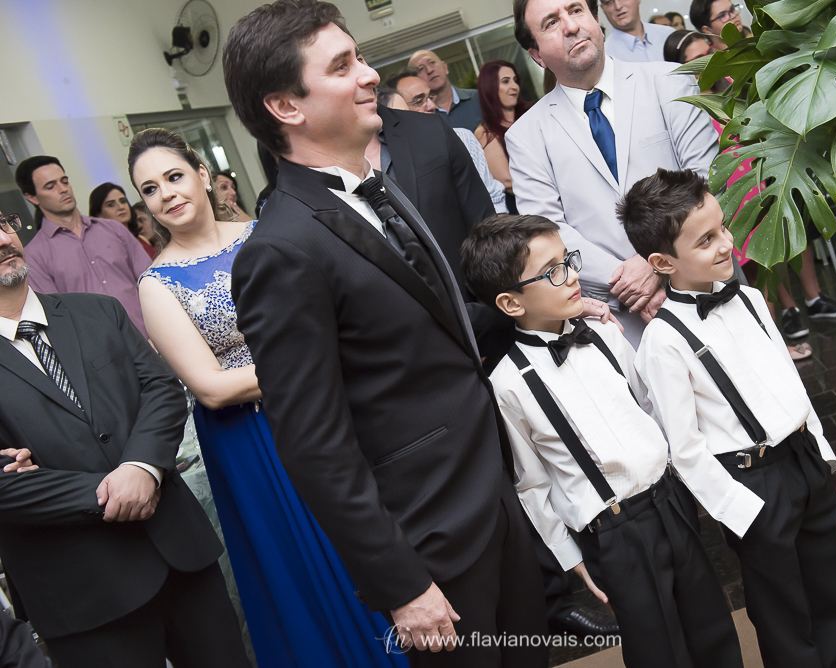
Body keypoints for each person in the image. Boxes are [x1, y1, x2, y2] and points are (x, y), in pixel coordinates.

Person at [222, 2, 549, 666]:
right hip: (431, 538)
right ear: (285, 106)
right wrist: (402, 584)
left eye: (361, 57)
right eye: (342, 66)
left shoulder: (377, 191)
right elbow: (314, 444)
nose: (370, 75)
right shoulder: (281, 250)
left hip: (490, 492)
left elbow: (434, 331)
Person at [133, 128, 406, 668]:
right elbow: (210, 387)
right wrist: (317, 360)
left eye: (174, 176)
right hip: (252, 438)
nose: (166, 194)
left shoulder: (267, 231)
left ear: (203, 175)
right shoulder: (156, 283)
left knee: (380, 531)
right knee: (306, 562)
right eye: (149, 189)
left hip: (334, 407)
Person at [463, 215, 743, 668]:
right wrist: (573, 561)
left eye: (568, 260)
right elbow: (531, 485)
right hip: (614, 532)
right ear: (511, 303)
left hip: (670, 499)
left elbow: (649, 407)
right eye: (553, 271)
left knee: (710, 622)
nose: (573, 275)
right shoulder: (508, 385)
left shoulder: (606, 334)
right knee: (658, 647)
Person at [620, 169, 836, 668]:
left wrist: (822, 452)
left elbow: (790, 382)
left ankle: (832, 659)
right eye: (706, 240)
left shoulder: (748, 298)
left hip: (803, 457)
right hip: (754, 481)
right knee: (781, 602)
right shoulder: (663, 342)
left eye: (723, 227)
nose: (727, 243)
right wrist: (742, 511)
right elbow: (685, 448)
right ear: (662, 262)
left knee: (827, 581)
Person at [0, 209, 250, 668]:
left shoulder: (98, 311)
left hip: (179, 556)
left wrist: (141, 467)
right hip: (82, 594)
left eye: (1, 223)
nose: (2, 239)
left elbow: (162, 390)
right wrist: (111, 491)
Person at [507, 0, 723, 345]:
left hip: (705, 282)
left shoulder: (670, 82)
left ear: (595, 19)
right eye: (551, 23)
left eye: (576, 10)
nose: (571, 26)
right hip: (622, 314)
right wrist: (626, 279)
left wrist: (653, 263)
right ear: (536, 55)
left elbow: (706, 179)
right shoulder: (525, 136)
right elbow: (547, 230)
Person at [661, 30, 812, 361]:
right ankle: (771, 350)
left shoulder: (731, 88)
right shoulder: (686, 111)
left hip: (758, 189)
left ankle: (776, 343)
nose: (707, 62)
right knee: (745, 280)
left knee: (767, 267)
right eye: (695, 60)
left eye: (709, 52)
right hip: (725, 202)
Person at [14, 156, 151, 338]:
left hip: (152, 335)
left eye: (64, 181)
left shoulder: (113, 229)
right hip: (103, 349)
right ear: (31, 197)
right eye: (51, 186)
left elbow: (150, 281)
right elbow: (57, 319)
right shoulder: (35, 256)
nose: (63, 189)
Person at [388, 70, 507, 214]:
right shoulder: (390, 157)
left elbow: (493, 198)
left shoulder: (462, 138)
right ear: (395, 109)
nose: (431, 105)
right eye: (419, 101)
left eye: (430, 97)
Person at [475, 61, 532, 215]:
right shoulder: (485, 133)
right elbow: (507, 182)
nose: (514, 86)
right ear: (490, 88)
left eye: (515, 80)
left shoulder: (531, 115)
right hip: (526, 210)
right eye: (506, 81)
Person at [408, 50, 482, 132]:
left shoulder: (479, 98)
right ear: (416, 80)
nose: (429, 70)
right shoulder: (421, 117)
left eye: (432, 62)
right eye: (421, 68)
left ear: (445, 67)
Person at [89, 182, 158, 259]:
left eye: (123, 201)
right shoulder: (103, 249)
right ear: (98, 214)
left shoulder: (142, 239)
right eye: (111, 205)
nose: (121, 207)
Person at [600, 0, 675, 62]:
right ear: (603, 8)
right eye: (608, 2)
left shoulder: (669, 35)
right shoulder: (606, 57)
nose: (618, 6)